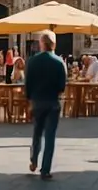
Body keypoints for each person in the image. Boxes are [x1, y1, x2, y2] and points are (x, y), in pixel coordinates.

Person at [24, 31, 67, 180]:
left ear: (41, 44)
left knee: (37, 132)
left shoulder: (32, 61)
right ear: (54, 44)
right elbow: (62, 86)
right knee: (50, 136)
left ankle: (34, 160)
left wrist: (29, 101)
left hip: (36, 102)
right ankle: (45, 170)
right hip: (53, 103)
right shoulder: (59, 62)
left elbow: (27, 84)